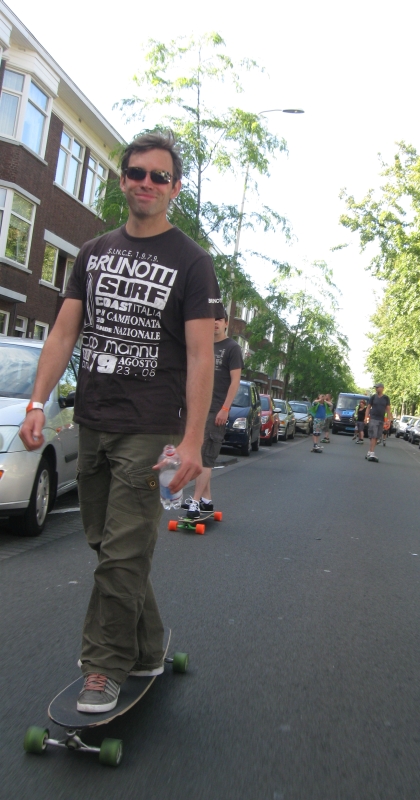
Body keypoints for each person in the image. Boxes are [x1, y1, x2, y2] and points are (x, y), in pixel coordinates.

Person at [19, 132, 222, 713]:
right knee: (107, 545)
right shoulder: (92, 253)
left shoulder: (192, 262)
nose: (147, 183)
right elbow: (63, 333)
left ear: (175, 189)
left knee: (122, 553)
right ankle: (147, 646)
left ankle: (102, 668)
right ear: (123, 179)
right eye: (137, 173)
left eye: (160, 176)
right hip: (93, 418)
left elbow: (201, 356)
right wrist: (36, 403)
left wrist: (192, 441)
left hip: (151, 426)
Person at [184, 311, 243, 518]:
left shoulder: (232, 348)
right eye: (213, 320)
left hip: (216, 409)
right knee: (199, 455)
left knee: (205, 457)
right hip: (198, 408)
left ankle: (195, 501)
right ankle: (206, 501)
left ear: (226, 323)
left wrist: (225, 408)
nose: (215, 323)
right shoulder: (205, 345)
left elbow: (235, 381)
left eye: (219, 320)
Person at [365, 383, 391, 462]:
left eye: (377, 387)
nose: (376, 389)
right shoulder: (373, 397)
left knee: (377, 437)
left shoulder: (386, 398)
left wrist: (388, 420)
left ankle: (370, 452)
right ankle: (372, 452)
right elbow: (368, 407)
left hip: (381, 419)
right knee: (373, 435)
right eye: (375, 388)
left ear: (382, 388)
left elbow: (388, 409)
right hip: (373, 418)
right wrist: (366, 417)